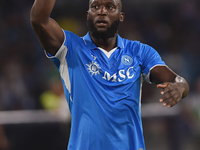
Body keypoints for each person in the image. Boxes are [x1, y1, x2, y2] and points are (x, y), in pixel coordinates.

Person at [30, 0, 189, 149]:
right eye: (95, 7)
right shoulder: (71, 48)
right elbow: (39, 20)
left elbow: (177, 80)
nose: (101, 12)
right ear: (88, 15)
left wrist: (179, 87)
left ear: (121, 16)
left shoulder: (139, 52)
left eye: (109, 7)